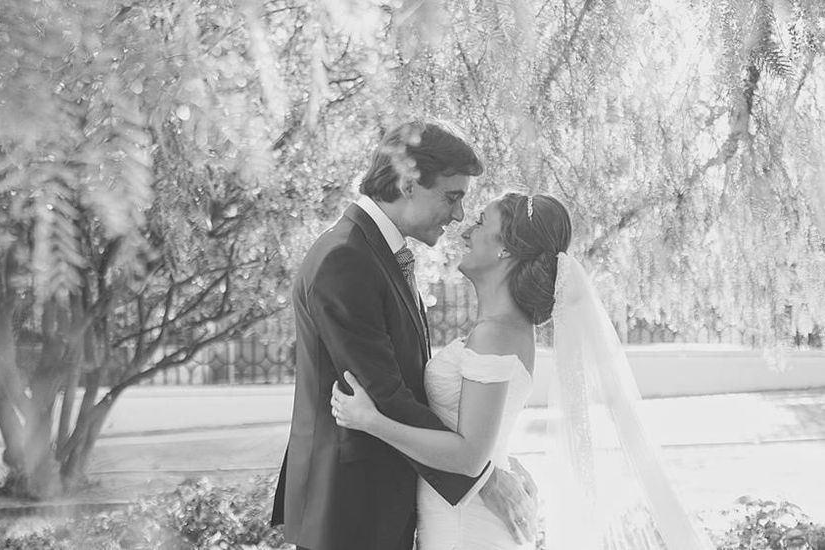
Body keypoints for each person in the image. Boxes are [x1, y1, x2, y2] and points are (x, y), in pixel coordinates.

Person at [332, 193, 717, 550]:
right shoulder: (503, 330)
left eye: (481, 222)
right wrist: (505, 463)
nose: (466, 229)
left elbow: (468, 457)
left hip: (464, 531)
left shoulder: (495, 335)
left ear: (505, 249)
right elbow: (482, 435)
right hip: (461, 518)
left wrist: (371, 421)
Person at [271, 122, 537, 550]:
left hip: (376, 507)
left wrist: (489, 453)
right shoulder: (346, 259)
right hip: (349, 515)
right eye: (452, 197)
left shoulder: (378, 252)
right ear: (409, 183)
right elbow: (386, 393)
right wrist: (482, 476)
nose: (458, 216)